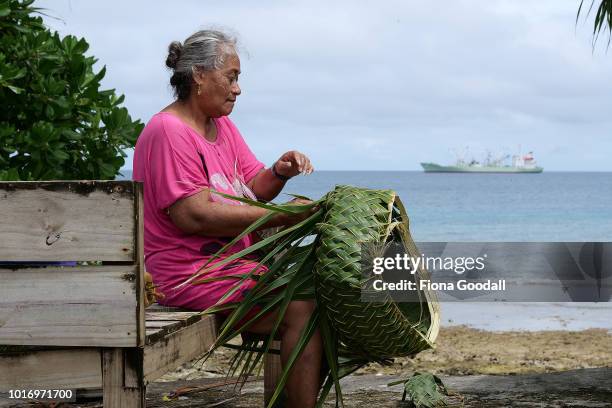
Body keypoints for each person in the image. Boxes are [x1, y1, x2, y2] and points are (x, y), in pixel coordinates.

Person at [132, 29, 321, 407]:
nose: (237, 89)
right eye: (231, 77)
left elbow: (253, 186)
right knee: (304, 306)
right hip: (189, 273)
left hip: (229, 268)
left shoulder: (222, 126)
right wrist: (284, 218)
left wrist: (280, 172)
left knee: (319, 290)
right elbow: (193, 215)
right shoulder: (168, 131)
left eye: (238, 79)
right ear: (199, 75)